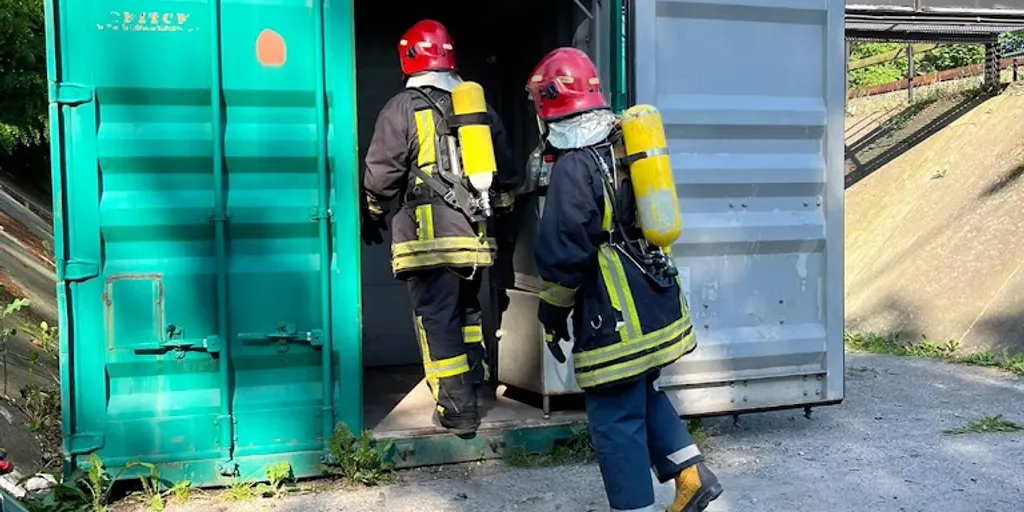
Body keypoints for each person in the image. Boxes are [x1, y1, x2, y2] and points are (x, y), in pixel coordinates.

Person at [527, 47, 723, 512]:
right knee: (641, 391)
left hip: (614, 314)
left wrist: (552, 312)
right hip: (655, 300)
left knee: (614, 415)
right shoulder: (622, 143)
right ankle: (691, 474)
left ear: (548, 104)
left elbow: (564, 250)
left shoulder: (575, 165)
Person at [361, 19, 518, 437]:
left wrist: (372, 214)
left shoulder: (401, 108)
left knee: (438, 320)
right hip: (475, 238)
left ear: (408, 59)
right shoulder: (478, 109)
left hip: (428, 241)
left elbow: (381, 177)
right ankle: (473, 384)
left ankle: (457, 408)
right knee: (468, 312)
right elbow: (506, 177)